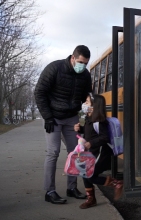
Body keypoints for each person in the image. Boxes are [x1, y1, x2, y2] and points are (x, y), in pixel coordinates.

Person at [34, 45, 92, 204]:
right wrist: (47, 117)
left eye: (86, 63)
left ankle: (72, 188)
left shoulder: (85, 74)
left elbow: (86, 96)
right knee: (53, 152)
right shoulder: (55, 68)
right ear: (73, 57)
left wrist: (82, 117)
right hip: (53, 117)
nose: (83, 66)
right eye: (80, 62)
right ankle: (50, 191)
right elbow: (39, 92)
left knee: (75, 152)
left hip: (72, 117)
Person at [74, 94, 122, 209]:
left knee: (88, 174)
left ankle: (116, 183)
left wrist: (91, 143)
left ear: (95, 106)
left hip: (101, 152)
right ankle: (91, 199)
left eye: (87, 102)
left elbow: (104, 137)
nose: (84, 104)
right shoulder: (86, 117)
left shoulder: (100, 121)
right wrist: (78, 128)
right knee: (84, 173)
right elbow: (84, 129)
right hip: (90, 151)